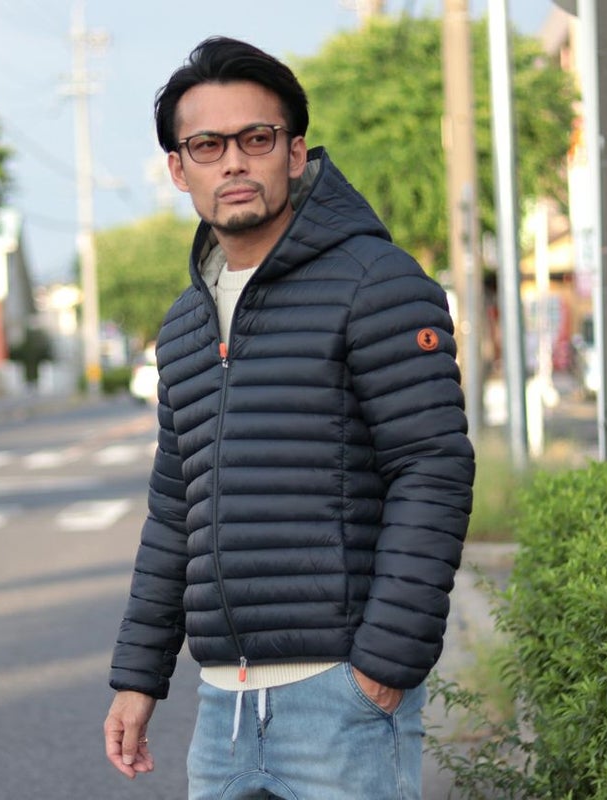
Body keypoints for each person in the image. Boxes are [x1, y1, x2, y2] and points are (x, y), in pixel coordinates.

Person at [103, 36, 475, 800]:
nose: (233, 163)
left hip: (340, 701)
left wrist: (382, 668)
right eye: (208, 145)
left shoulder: (376, 282)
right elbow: (176, 511)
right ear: (178, 168)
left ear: (295, 152)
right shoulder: (184, 325)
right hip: (222, 709)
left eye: (257, 139)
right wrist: (139, 678)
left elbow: (432, 469)